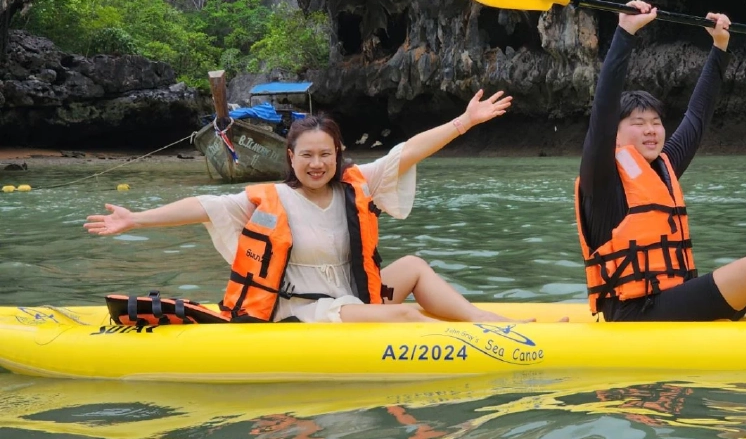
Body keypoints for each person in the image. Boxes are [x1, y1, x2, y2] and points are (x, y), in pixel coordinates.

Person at [85, 91, 526, 324]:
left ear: (338, 156)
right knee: (406, 314)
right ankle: (474, 336)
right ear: (291, 159)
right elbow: (201, 206)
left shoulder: (355, 185)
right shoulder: (272, 200)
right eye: (307, 156)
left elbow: (407, 151)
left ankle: (480, 319)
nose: (318, 164)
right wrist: (134, 219)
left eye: (326, 155)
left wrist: (465, 121)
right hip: (305, 309)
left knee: (411, 265)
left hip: (352, 296)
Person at [575, 1, 746, 322]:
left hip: (674, 298)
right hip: (633, 312)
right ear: (615, 135)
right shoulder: (600, 177)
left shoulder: (663, 167)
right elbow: (602, 114)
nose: (651, 130)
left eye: (656, 122)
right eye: (638, 122)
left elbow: (697, 117)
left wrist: (719, 46)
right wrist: (624, 32)